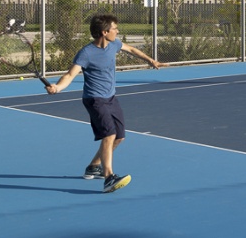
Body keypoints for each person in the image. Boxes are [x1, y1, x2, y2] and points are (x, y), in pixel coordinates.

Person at [46, 14, 164, 193]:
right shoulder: (86, 53)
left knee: (119, 137)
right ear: (104, 32)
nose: (117, 31)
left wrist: (150, 60)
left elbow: (131, 49)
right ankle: (109, 177)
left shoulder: (114, 44)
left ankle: (93, 166)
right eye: (115, 28)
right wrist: (57, 88)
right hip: (94, 99)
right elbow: (70, 75)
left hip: (111, 98)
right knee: (109, 135)